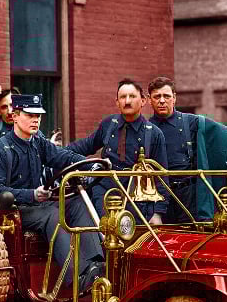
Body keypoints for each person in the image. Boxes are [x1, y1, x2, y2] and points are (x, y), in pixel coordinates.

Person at [0, 94, 105, 294]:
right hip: (13, 211)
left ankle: (95, 266)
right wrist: (31, 195)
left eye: (38, 115)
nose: (36, 120)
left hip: (38, 205)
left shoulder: (37, 142)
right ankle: (76, 278)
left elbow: (63, 156)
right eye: (30, 115)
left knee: (77, 203)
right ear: (14, 116)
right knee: (53, 215)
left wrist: (90, 164)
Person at [66, 78, 169, 224]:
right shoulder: (108, 124)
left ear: (143, 100)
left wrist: (158, 213)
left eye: (132, 96)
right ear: (117, 102)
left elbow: (161, 176)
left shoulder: (154, 133)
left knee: (132, 239)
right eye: (123, 97)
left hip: (136, 198)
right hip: (104, 192)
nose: (127, 101)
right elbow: (85, 146)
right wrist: (56, 153)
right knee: (107, 232)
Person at [147, 76, 227, 222]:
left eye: (166, 96)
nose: (162, 100)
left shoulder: (192, 122)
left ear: (174, 98)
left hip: (189, 197)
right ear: (150, 99)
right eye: (157, 96)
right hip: (157, 198)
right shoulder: (145, 128)